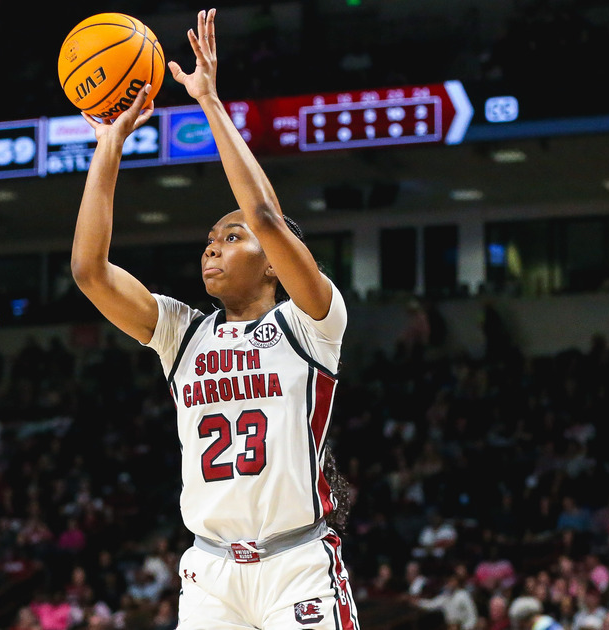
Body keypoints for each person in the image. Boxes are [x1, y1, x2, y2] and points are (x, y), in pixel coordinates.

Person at [71, 9, 354, 629]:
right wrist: (108, 147)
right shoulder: (184, 333)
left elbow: (264, 217)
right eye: (209, 240)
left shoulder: (311, 322)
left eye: (230, 237)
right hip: (209, 573)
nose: (213, 248)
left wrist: (208, 101)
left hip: (297, 564)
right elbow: (91, 272)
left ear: (276, 264)